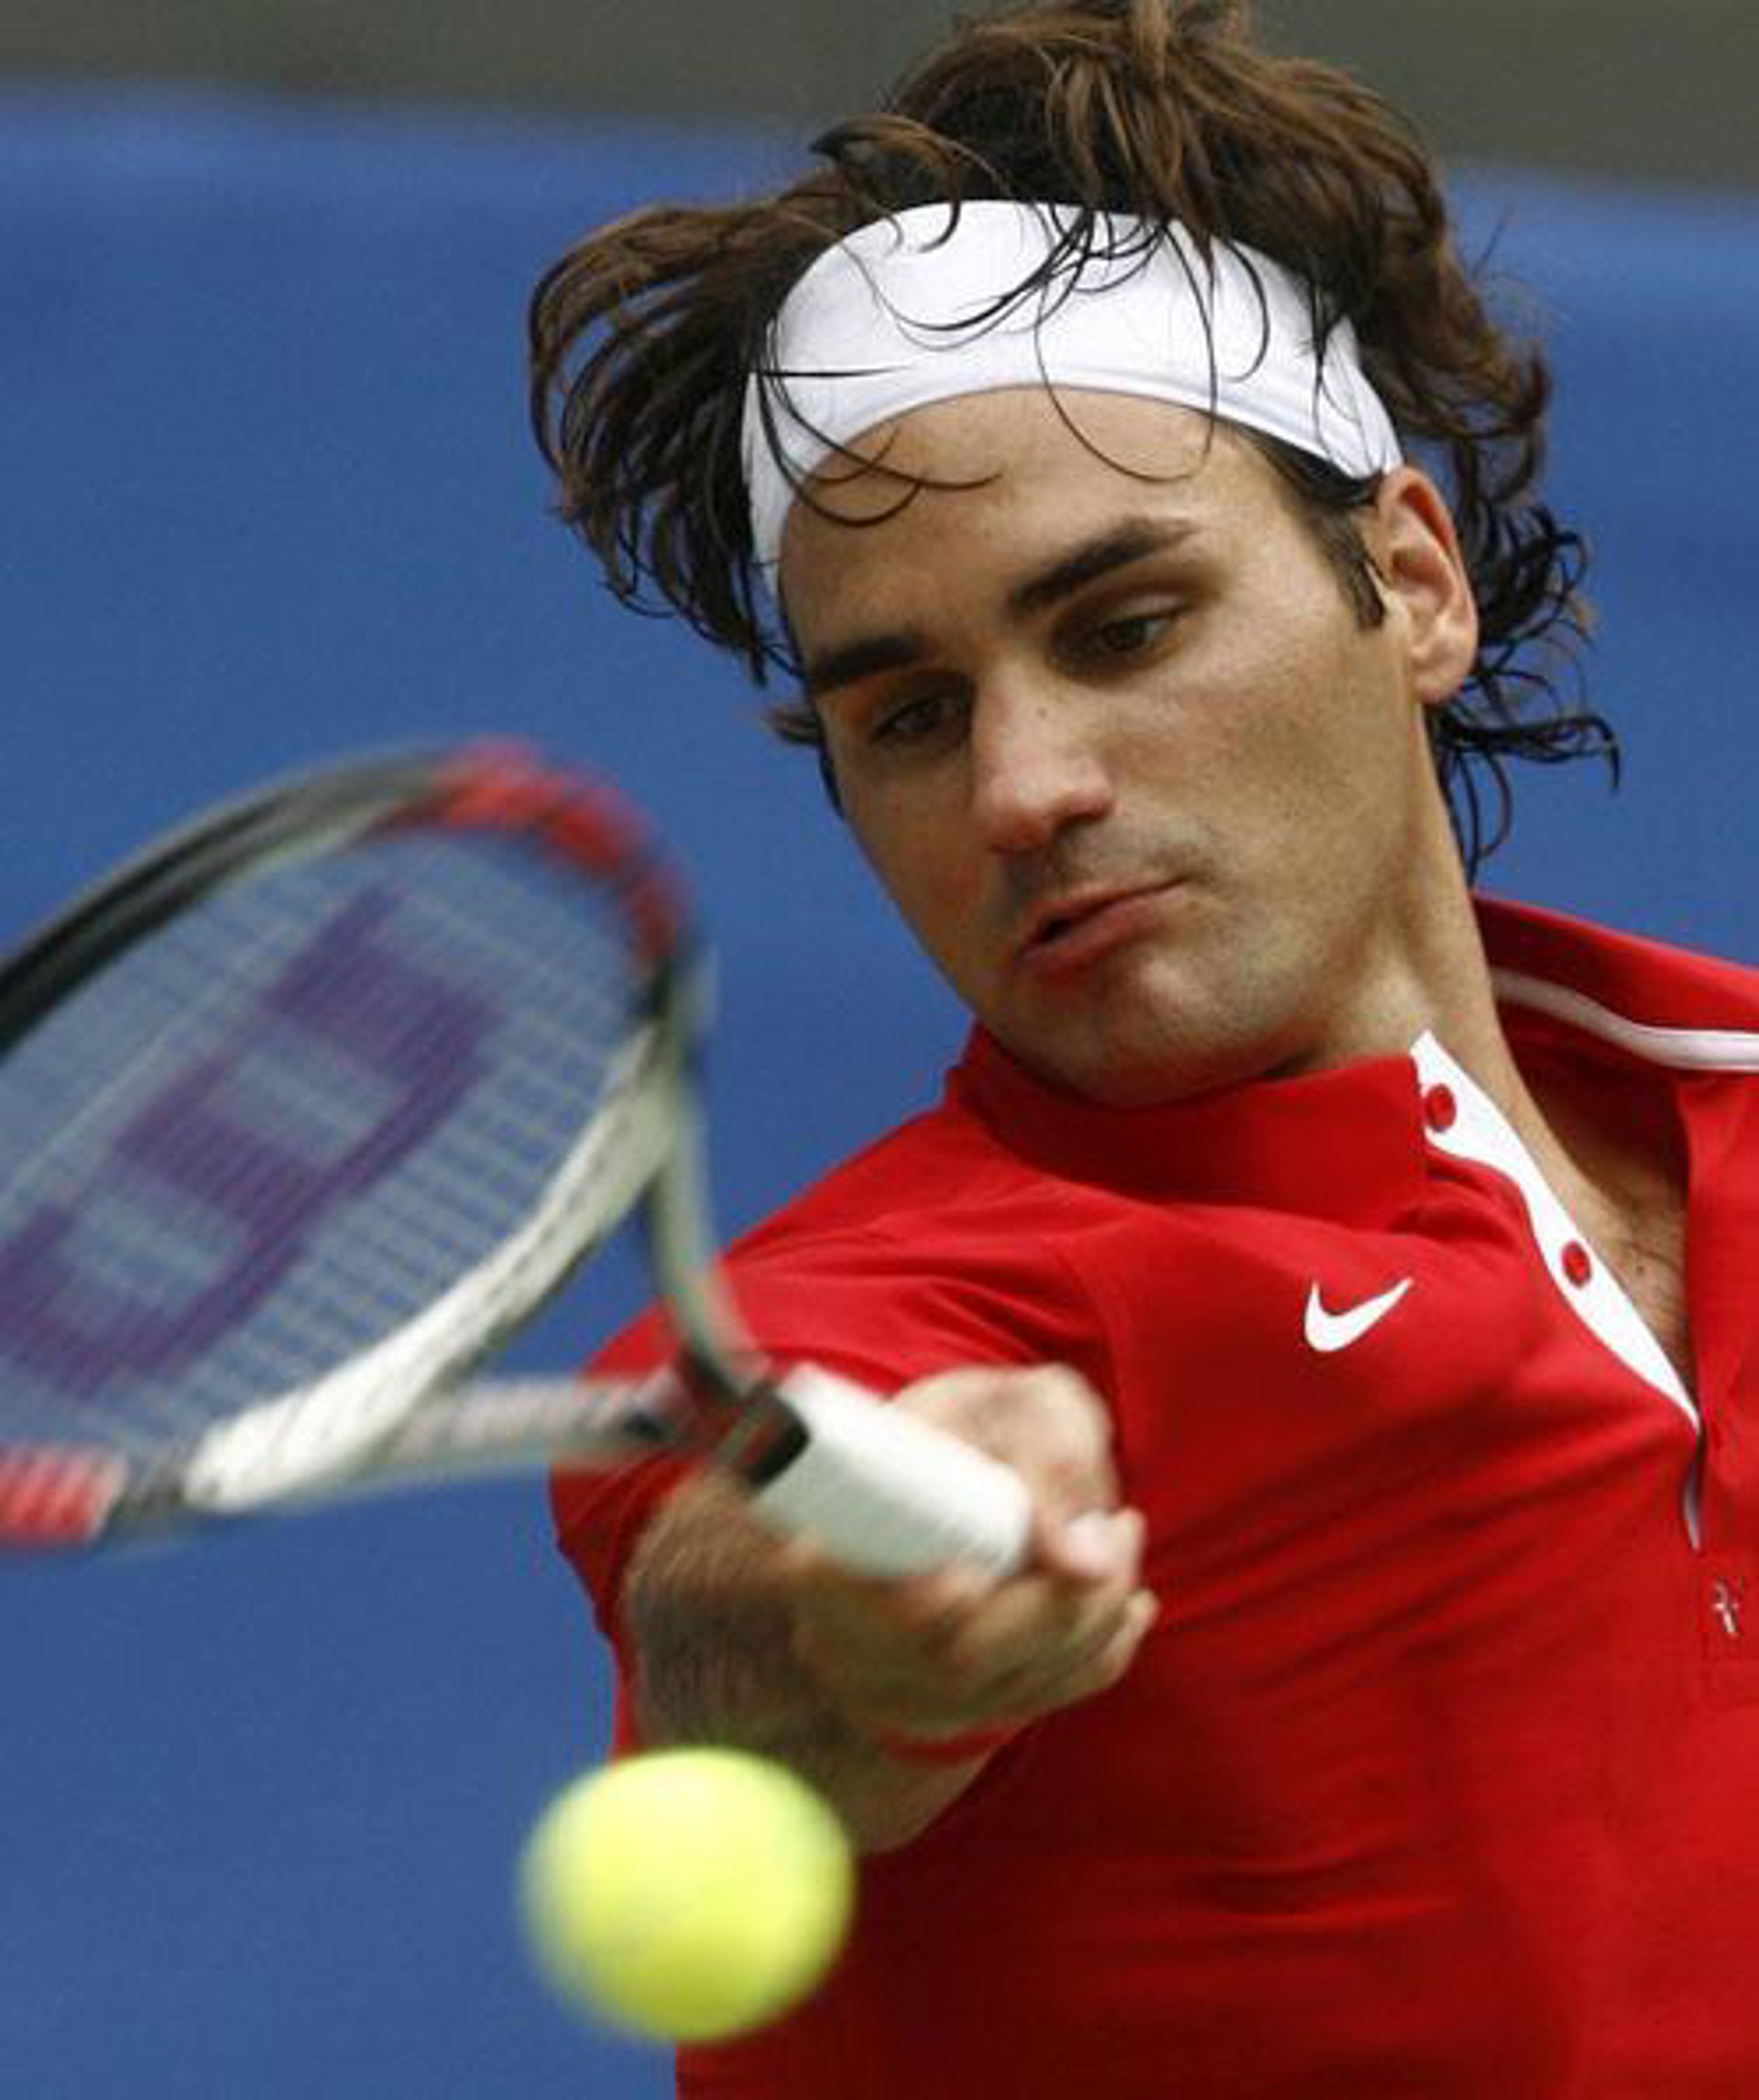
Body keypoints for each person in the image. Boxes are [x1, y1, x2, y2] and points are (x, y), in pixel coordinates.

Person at [528, 3, 1759, 2091]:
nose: (1022, 789)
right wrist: (882, 1602)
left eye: (1123, 627)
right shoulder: (885, 1320)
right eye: (910, 716)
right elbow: (736, 1608)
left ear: (1411, 580)